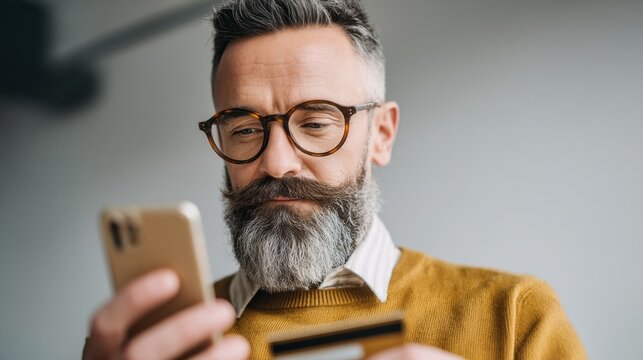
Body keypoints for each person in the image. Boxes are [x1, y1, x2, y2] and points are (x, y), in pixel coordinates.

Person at [83, 0, 587, 359]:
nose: (277, 164)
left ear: (382, 134)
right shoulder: (149, 346)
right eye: (242, 129)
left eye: (317, 123)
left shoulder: (514, 318)